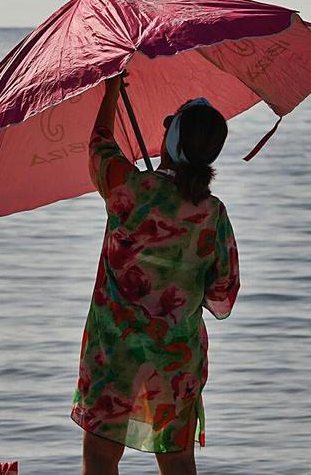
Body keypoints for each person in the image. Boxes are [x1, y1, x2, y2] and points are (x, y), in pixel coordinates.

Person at [71, 73, 240, 475]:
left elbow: (99, 142)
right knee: (177, 458)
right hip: (177, 355)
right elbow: (223, 292)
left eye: (169, 124)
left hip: (114, 349)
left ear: (170, 140)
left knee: (100, 455)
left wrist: (111, 91)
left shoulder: (130, 189)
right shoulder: (211, 213)